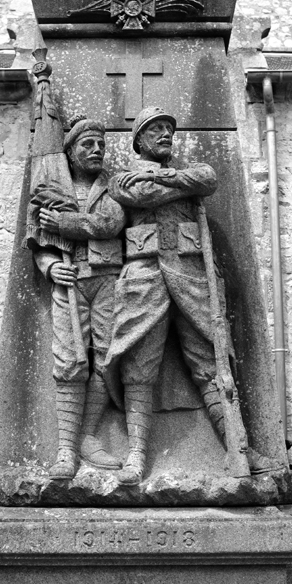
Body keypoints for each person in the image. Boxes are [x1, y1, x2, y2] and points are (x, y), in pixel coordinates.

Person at [104, 106, 239, 486]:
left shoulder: (193, 170)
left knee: (211, 360)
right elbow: (135, 192)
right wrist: (179, 183)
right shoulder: (124, 177)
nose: (164, 134)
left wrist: (172, 181)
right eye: (155, 130)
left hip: (192, 273)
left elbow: (207, 179)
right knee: (138, 364)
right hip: (144, 274)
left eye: (168, 129)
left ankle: (237, 447)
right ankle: (136, 455)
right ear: (139, 140)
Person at [30, 116, 126, 480]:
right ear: (69, 152)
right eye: (88, 145)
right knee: (70, 362)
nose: (97, 150)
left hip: (108, 280)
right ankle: (66, 451)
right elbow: (38, 237)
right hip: (69, 282)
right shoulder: (52, 190)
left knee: (106, 358)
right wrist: (51, 265)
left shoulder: (113, 186)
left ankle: (88, 436)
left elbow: (110, 224)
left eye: (100, 144)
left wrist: (65, 224)